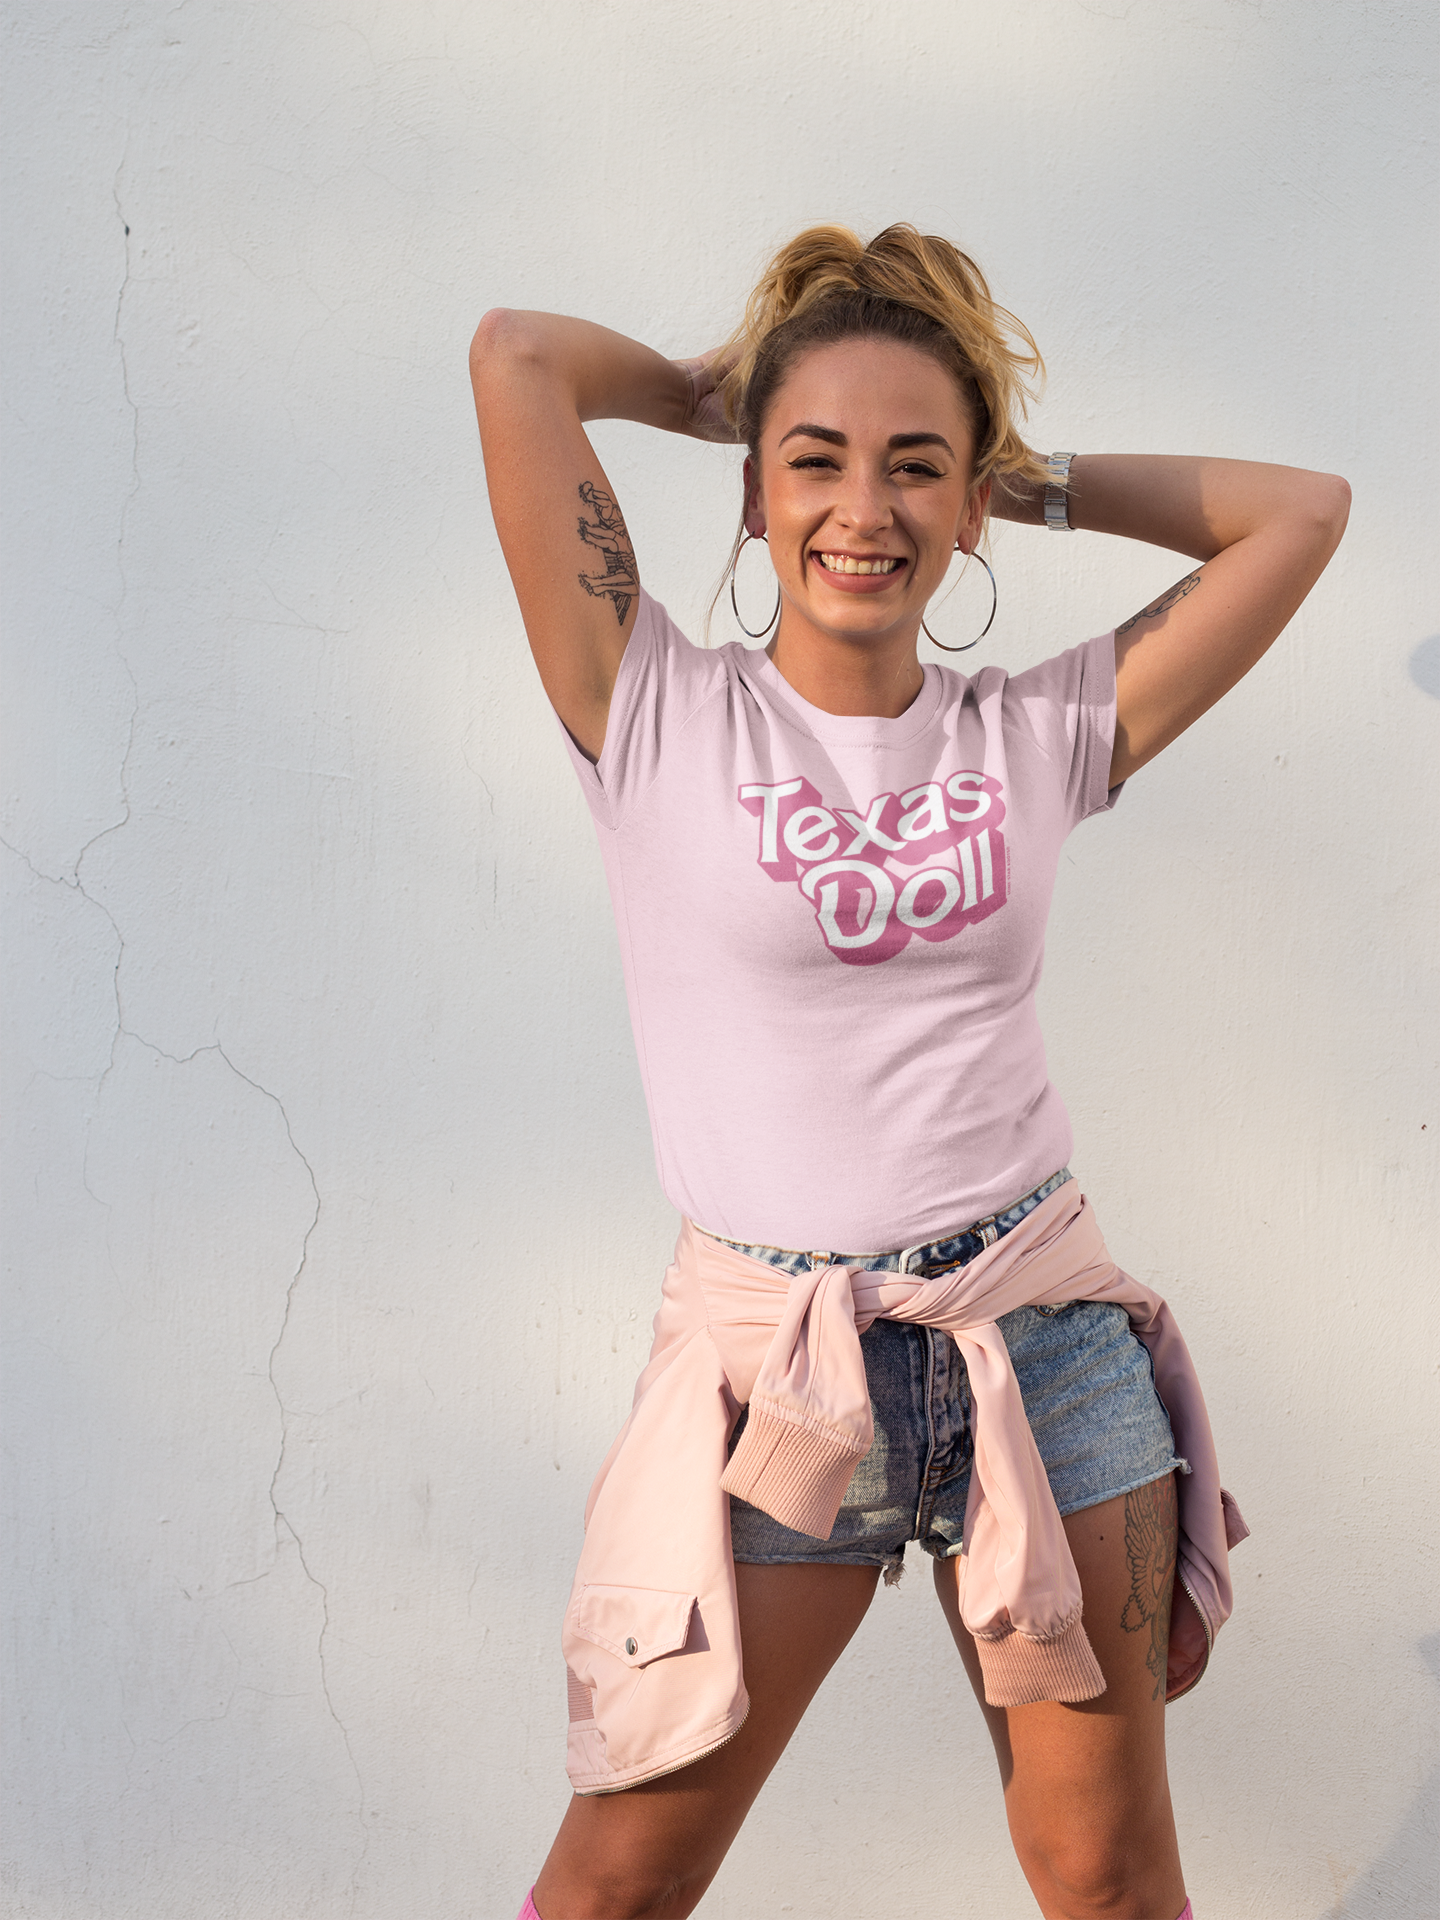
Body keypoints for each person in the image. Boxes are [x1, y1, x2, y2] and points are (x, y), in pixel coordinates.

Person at [468, 223, 1348, 1920]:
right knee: (618, 1887)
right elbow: (518, 354)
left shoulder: (1036, 732)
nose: (862, 509)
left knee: (1107, 1878)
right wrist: (717, 395)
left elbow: (1300, 514)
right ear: (752, 494)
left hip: (1043, 1348)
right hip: (779, 1381)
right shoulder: (652, 708)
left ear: (968, 507)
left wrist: (1029, 478)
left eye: (914, 468)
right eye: (815, 461)